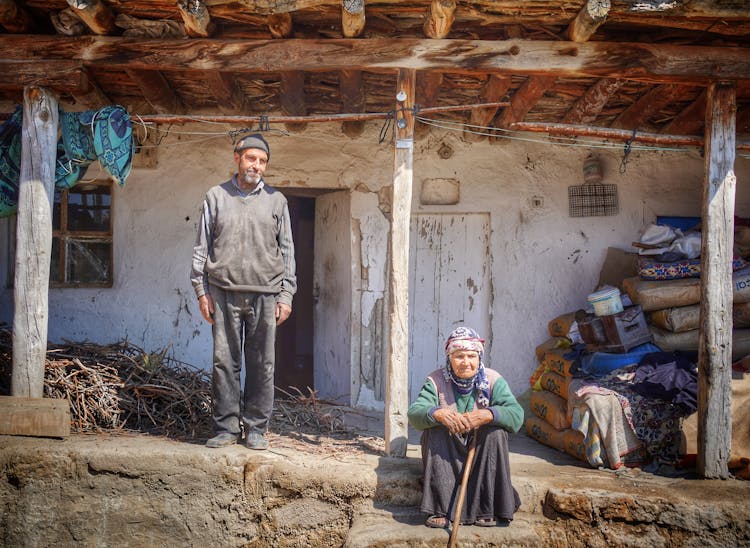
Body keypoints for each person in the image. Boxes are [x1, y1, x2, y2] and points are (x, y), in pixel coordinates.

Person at [191, 133, 296, 450]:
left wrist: (286, 295)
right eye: (252, 158)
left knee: (263, 364)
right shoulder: (216, 196)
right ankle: (225, 427)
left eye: (262, 161)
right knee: (225, 362)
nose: (257, 165)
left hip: (266, 293)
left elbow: (288, 251)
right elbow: (201, 246)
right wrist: (201, 290)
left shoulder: (277, 201)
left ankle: (256, 429)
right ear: (237, 158)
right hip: (223, 292)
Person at [407, 326, 523, 528]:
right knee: (434, 430)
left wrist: (489, 414)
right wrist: (436, 413)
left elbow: (516, 416)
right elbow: (415, 414)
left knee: (495, 432)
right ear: (449, 358)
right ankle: (440, 508)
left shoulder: (493, 379)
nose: (466, 362)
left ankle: (487, 508)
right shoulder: (435, 380)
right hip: (448, 454)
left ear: (479, 357)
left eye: (471, 356)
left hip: (479, 453)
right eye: (459, 356)